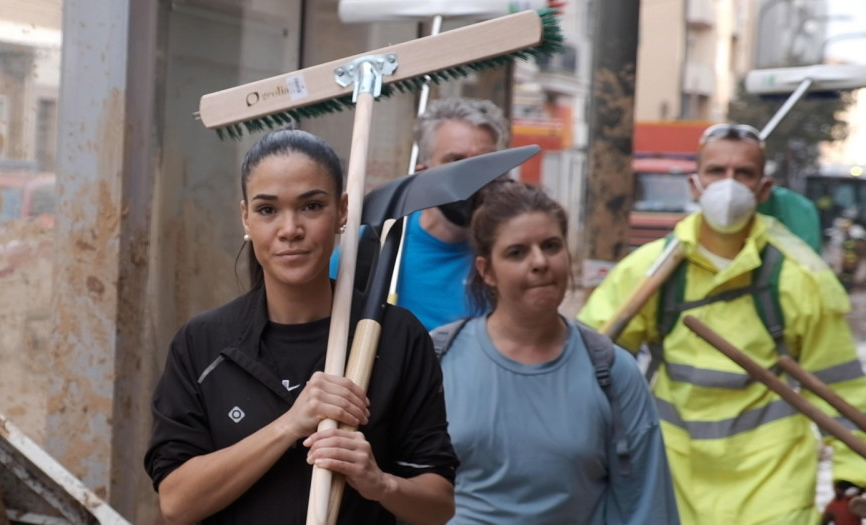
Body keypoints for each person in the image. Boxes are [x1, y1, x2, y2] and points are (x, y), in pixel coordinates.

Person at [144, 129, 457, 525]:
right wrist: (291, 424)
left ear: (343, 212)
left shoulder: (393, 336)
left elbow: (438, 506)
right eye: (267, 210)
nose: (289, 229)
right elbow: (176, 503)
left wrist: (378, 482)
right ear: (245, 217)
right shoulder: (203, 343)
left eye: (311, 206)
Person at [578, 122, 866, 524]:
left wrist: (851, 483)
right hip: (673, 476)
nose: (728, 185)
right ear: (696, 185)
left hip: (772, 485)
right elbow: (586, 366)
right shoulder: (649, 273)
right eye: (716, 172)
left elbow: (842, 388)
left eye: (743, 173)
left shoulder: (800, 278)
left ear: (764, 189)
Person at [434, 182, 678, 524]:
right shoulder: (437, 359)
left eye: (551, 246)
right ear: (486, 271)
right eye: (517, 252)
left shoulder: (612, 371)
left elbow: (647, 506)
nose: (539, 262)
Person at [330, 97, 509, 330]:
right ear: (423, 174)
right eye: (456, 162)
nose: (473, 177)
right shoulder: (370, 248)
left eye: (485, 164)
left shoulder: (514, 250)